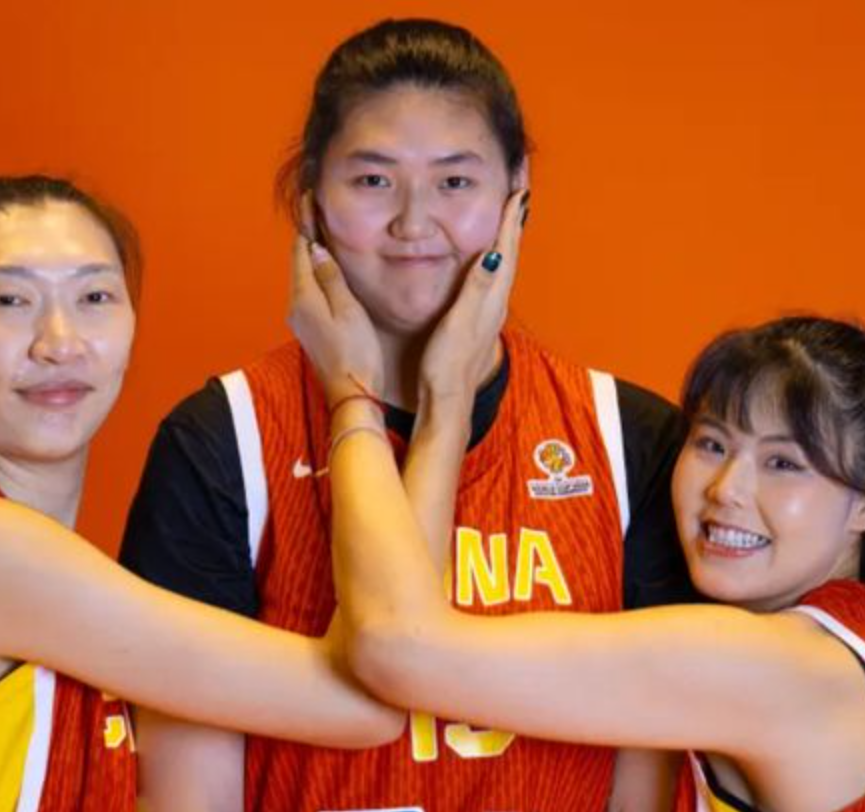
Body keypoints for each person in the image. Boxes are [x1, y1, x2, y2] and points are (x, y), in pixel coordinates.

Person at [120, 17, 693, 812]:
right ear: (312, 197)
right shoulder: (222, 442)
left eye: (455, 183)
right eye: (372, 181)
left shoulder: (628, 441)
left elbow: (649, 772)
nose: (414, 225)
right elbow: (190, 793)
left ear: (517, 191)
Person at [290, 232, 865, 811]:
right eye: (712, 444)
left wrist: (366, 393)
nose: (726, 490)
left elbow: (397, 649)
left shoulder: (777, 668)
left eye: (784, 464)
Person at [0, 175, 403, 812]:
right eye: (9, 300)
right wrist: (425, 403)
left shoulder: (24, 561)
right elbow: (374, 697)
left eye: (95, 296)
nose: (60, 342)